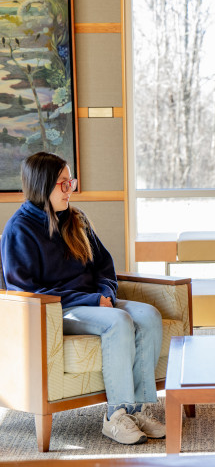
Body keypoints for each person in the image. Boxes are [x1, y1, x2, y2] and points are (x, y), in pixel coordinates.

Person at [1, 152, 166, 445]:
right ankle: (116, 416)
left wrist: (104, 294)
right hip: (55, 310)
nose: (70, 190)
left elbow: (104, 266)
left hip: (93, 302)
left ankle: (137, 410)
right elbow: (24, 291)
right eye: (63, 184)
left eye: (70, 182)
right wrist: (90, 301)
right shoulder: (19, 230)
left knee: (149, 316)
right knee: (118, 322)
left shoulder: (76, 219)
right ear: (43, 186)